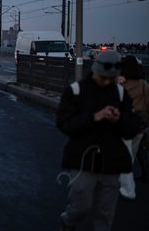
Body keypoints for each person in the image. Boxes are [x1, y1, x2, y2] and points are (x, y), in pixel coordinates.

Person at [56, 51, 142, 231]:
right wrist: (94, 117)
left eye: (111, 79)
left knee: (106, 213)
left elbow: (133, 127)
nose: (107, 82)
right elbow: (64, 124)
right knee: (81, 206)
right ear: (95, 71)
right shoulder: (76, 91)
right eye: (103, 78)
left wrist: (119, 119)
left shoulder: (120, 93)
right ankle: (68, 221)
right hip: (83, 159)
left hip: (112, 162)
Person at [118, 55, 149, 198]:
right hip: (140, 124)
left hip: (124, 122)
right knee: (132, 153)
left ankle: (127, 188)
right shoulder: (143, 84)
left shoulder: (120, 83)